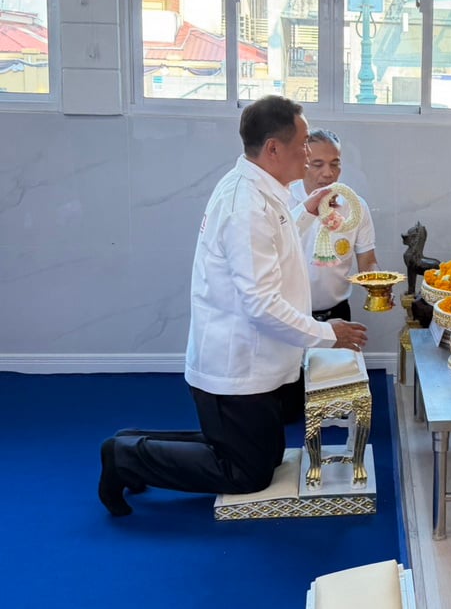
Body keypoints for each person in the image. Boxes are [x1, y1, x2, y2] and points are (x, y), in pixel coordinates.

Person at [97, 96, 368, 516]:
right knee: (247, 472)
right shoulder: (247, 205)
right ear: (273, 149)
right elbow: (260, 303)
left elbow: (275, 242)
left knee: (266, 455)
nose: (307, 154)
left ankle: (131, 442)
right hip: (235, 364)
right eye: (302, 146)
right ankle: (125, 456)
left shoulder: (262, 190)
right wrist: (326, 333)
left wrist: (306, 212)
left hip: (252, 358)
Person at [280, 129, 378, 422]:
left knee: (335, 412)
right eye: (318, 164)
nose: (328, 173)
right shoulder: (284, 204)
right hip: (291, 317)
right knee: (288, 412)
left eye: (335, 164)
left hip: (337, 314)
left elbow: (368, 259)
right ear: (303, 162)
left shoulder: (355, 206)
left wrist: (378, 285)